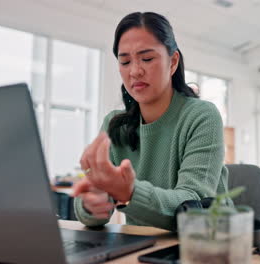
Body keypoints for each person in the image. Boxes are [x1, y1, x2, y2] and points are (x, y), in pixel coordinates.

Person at [71, 12, 229, 231]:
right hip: (142, 247)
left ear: (173, 62)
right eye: (125, 61)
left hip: (208, 242)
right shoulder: (114, 125)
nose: (135, 71)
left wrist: (129, 192)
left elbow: (193, 205)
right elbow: (91, 212)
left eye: (147, 59)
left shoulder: (201, 116)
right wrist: (92, 203)